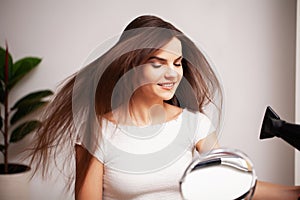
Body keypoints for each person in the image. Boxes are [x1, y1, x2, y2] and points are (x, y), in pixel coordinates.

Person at [29, 15, 300, 199]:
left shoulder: (195, 125)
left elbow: (234, 184)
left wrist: (295, 193)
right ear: (131, 66)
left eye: (178, 63)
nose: (172, 74)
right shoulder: (98, 132)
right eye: (158, 63)